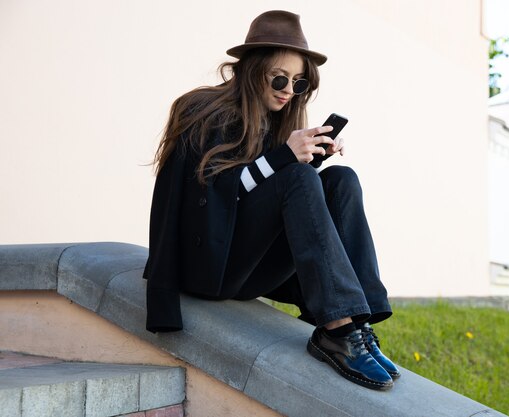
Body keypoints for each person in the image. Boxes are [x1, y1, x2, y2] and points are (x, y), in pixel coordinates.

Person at [143, 10, 400, 391]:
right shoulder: (202, 110)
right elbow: (211, 200)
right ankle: (337, 330)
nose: (287, 90)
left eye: (298, 84)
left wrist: (313, 156)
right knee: (296, 175)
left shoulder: (277, 122)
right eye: (279, 78)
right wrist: (283, 159)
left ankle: (356, 324)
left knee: (340, 179)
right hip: (210, 269)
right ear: (253, 69)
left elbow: (273, 197)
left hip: (252, 266)